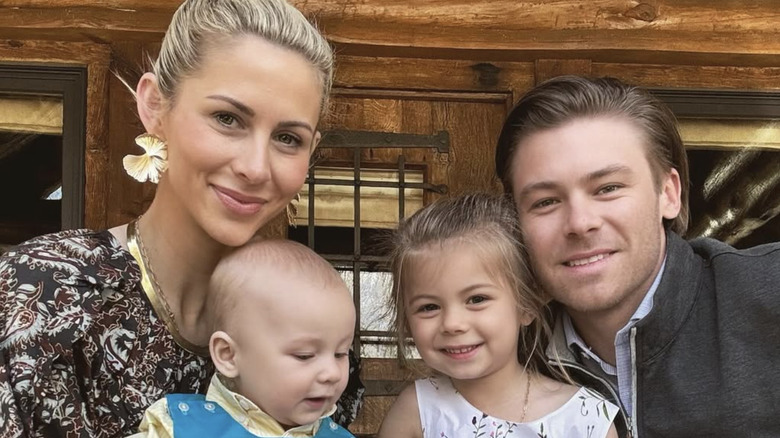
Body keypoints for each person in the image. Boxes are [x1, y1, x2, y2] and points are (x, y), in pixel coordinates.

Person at [0, 1, 362, 437]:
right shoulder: (42, 295)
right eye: (227, 119)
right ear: (154, 105)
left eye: (288, 138)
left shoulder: (319, 331)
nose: (256, 167)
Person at [494, 75, 780, 437]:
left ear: (669, 194)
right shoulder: (499, 358)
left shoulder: (769, 295)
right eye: (546, 202)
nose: (580, 223)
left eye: (608, 188)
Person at [378, 193, 619, 438]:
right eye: (429, 307)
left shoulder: (586, 419)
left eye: (477, 299)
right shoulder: (415, 412)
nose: (452, 324)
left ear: (526, 305)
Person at [128, 239, 356, 438]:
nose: (332, 373)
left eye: (341, 353)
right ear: (228, 355)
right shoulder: (180, 428)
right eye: (304, 355)